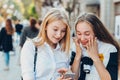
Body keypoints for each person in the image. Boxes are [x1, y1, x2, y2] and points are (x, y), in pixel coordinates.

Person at [20, 8, 72, 80]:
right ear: (46, 26)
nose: (59, 35)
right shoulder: (30, 47)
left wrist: (68, 75)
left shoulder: (64, 49)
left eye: (63, 31)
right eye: (55, 29)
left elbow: (69, 75)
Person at [70, 13, 120, 80]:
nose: (82, 38)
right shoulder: (75, 47)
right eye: (79, 34)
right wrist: (78, 55)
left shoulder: (109, 49)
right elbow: (72, 78)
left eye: (87, 34)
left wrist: (95, 58)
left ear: (96, 32)